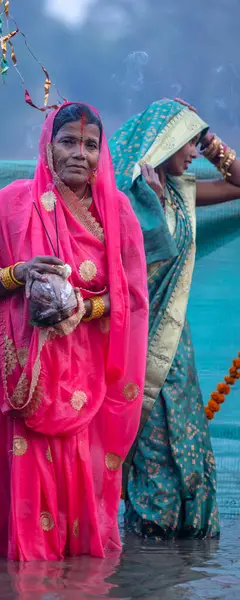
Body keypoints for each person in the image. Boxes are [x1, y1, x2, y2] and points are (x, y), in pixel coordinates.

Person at [0, 102, 149, 560]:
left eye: (91, 145)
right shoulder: (9, 205)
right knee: (8, 513)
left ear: (102, 154)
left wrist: (84, 306)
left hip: (83, 382)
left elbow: (133, 299)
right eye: (68, 142)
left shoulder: (117, 213)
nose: (80, 153)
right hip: (15, 378)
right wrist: (17, 274)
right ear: (47, 148)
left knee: (74, 523)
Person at [109, 98, 240, 539]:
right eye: (188, 140)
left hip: (175, 347)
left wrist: (209, 140)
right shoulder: (124, 197)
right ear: (163, 141)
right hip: (133, 342)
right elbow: (132, 270)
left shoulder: (184, 190)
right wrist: (150, 205)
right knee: (150, 448)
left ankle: (188, 550)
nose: (193, 153)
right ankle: (150, 556)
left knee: (188, 439)